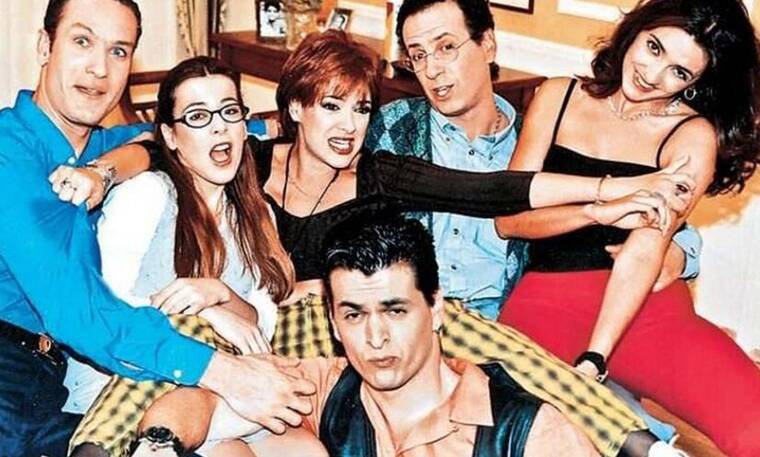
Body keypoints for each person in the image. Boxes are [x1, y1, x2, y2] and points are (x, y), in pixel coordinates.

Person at [77, 32, 692, 457]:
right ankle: (96, 448)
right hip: (283, 333)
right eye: (332, 106)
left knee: (486, 337)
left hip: (363, 325)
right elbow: (161, 145)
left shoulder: (379, 173)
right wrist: (104, 170)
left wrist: (609, 190)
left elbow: (492, 190)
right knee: (186, 345)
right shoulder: (250, 159)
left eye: (362, 108)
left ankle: (637, 443)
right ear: (295, 108)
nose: (349, 126)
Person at [0, 1, 316, 456]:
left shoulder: (105, 146)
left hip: (53, 385)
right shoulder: (10, 154)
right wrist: (222, 369)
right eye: (82, 41)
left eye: (118, 51)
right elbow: (79, 313)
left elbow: (157, 140)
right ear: (44, 46)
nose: (98, 68)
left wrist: (105, 171)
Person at [494, 1, 760, 456]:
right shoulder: (557, 97)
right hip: (546, 302)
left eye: (679, 72)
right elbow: (509, 219)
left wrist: (595, 357)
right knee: (541, 432)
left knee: (753, 425)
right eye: (654, 47)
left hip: (645, 307)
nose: (653, 75)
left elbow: (645, 251)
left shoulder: (692, 136)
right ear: (635, 30)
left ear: (695, 84)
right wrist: (600, 209)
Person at [141, 216, 601, 457]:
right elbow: (199, 402)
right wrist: (157, 446)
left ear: (435, 308)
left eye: (395, 311)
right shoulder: (324, 387)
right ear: (333, 323)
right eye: (354, 315)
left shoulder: (525, 432)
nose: (375, 337)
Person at [364, 0, 703, 322]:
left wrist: (683, 249)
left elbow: (643, 213)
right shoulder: (394, 126)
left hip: (501, 321)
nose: (432, 70)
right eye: (418, 55)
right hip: (407, 315)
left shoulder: (535, 143)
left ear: (488, 45)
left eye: (446, 47)